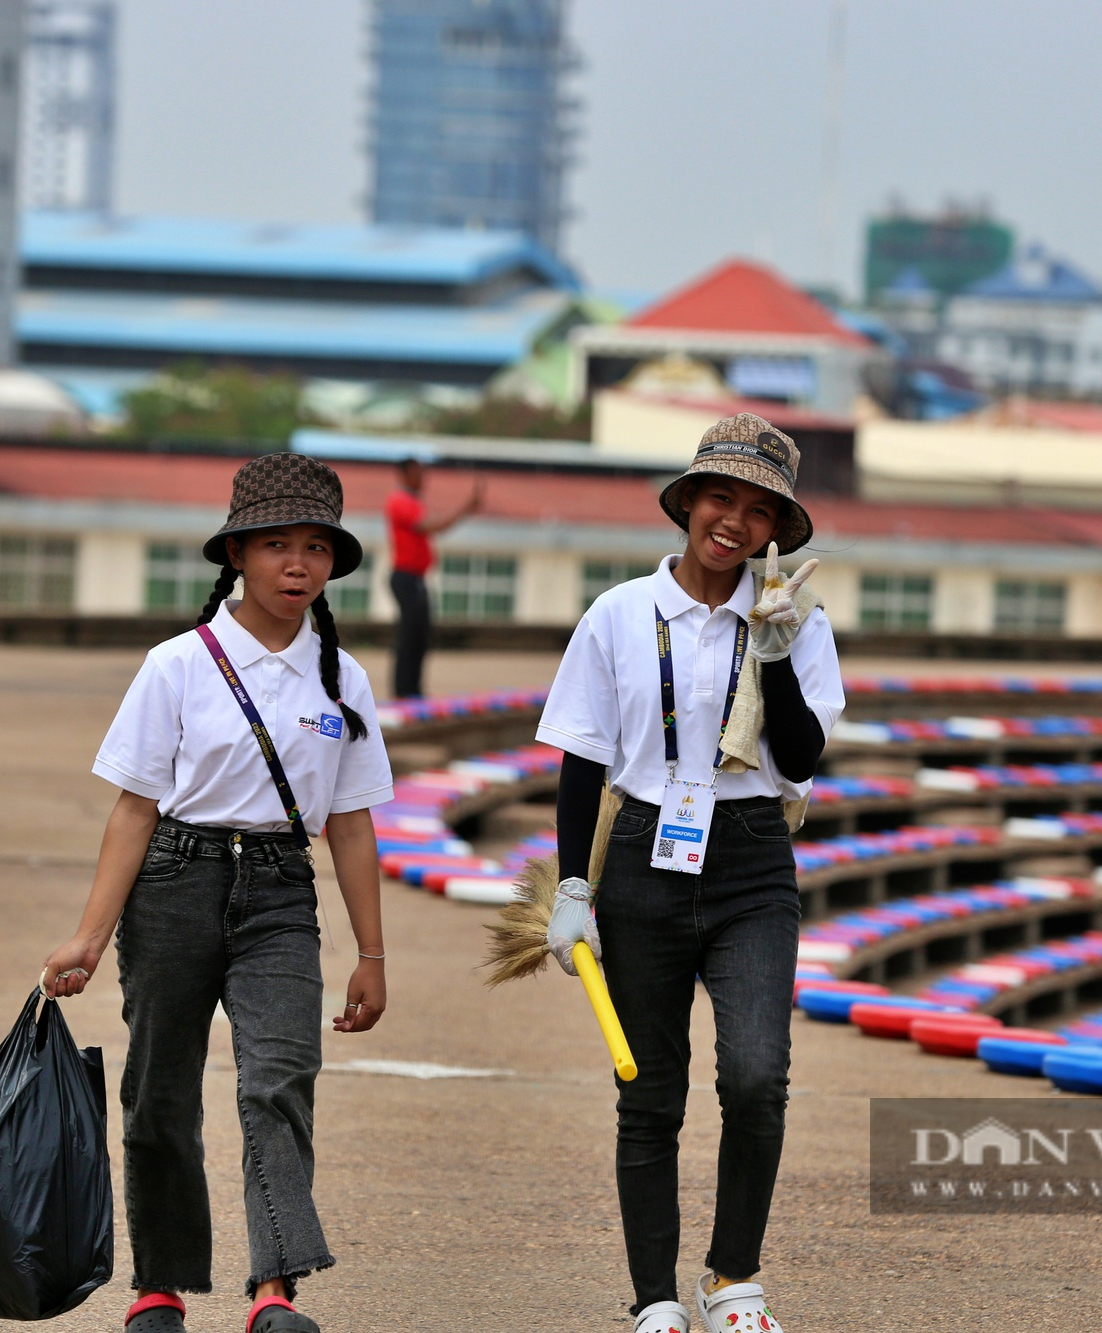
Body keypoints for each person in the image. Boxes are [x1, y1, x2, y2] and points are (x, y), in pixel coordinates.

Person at [41, 453, 394, 1333]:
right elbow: (133, 809)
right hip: (174, 882)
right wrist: (90, 934)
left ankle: (274, 1291)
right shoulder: (177, 665)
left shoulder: (342, 679)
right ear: (236, 554)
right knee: (160, 1090)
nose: (297, 565)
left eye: (316, 547)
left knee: (280, 1077)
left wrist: (373, 954)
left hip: (280, 892)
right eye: (276, 545)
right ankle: (158, 1285)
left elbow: (350, 824)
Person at [535, 414, 843, 1333]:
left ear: (777, 530)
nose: (735, 522)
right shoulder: (621, 613)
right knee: (650, 1090)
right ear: (687, 503)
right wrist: (573, 887)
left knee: (756, 1076)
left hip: (751, 860)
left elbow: (802, 757)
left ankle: (733, 1281)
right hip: (640, 860)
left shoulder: (799, 619)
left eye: (759, 509)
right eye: (721, 497)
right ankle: (655, 1299)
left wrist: (779, 656)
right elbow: (583, 757)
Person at [383, 457, 484, 699]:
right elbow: (430, 526)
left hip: (415, 577)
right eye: (418, 472)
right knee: (410, 635)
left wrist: (465, 511)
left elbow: (434, 526)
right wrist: (464, 508)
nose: (423, 478)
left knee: (419, 634)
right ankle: (404, 690)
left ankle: (412, 689)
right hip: (406, 576)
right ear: (405, 474)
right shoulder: (400, 500)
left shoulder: (414, 501)